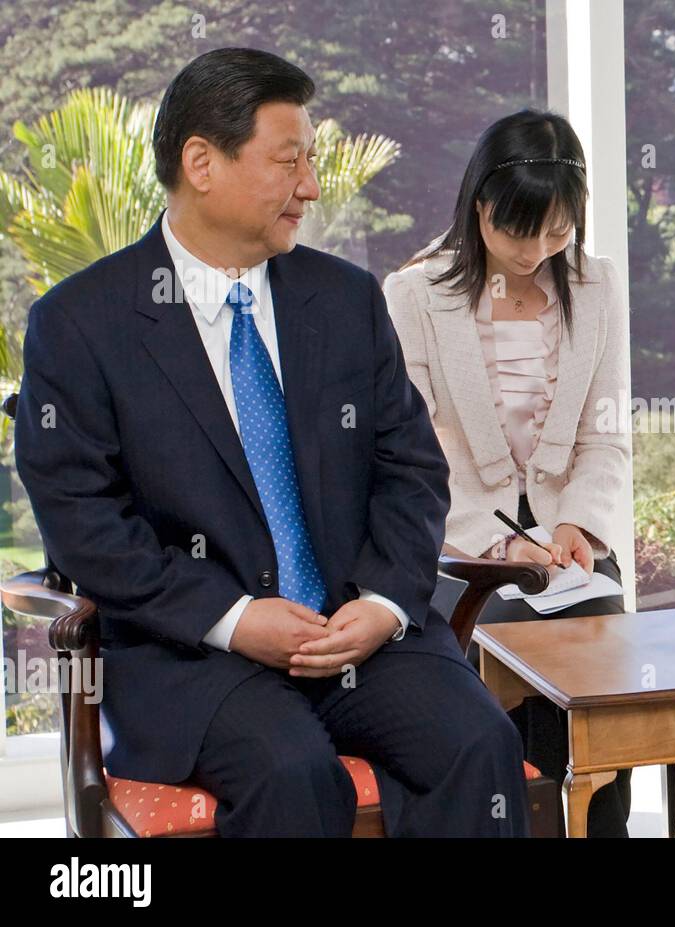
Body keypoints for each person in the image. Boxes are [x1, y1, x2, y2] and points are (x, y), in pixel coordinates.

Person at [14, 47, 527, 837]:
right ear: (201, 163)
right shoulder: (81, 323)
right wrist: (233, 617)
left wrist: (386, 603)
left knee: (479, 741)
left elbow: (411, 470)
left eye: (312, 161)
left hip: (356, 632)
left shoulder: (344, 298)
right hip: (190, 653)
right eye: (289, 162)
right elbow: (86, 529)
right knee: (291, 772)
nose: (312, 186)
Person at [384, 109, 633, 836]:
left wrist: (574, 525)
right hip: (459, 553)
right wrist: (497, 546)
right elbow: (411, 456)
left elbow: (606, 432)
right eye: (520, 231)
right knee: (512, 647)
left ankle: (597, 825)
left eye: (557, 231)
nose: (537, 251)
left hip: (567, 547)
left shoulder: (597, 286)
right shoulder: (416, 294)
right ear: (479, 207)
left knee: (600, 674)